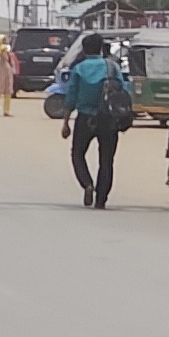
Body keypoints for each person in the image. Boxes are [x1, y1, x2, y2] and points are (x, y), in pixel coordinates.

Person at [59, 31, 129, 208]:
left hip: (85, 118)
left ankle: (87, 184)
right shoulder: (112, 67)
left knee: (77, 153)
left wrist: (66, 123)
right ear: (101, 48)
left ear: (84, 49)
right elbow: (123, 91)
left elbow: (71, 97)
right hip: (109, 119)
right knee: (106, 160)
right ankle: (101, 200)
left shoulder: (80, 68)